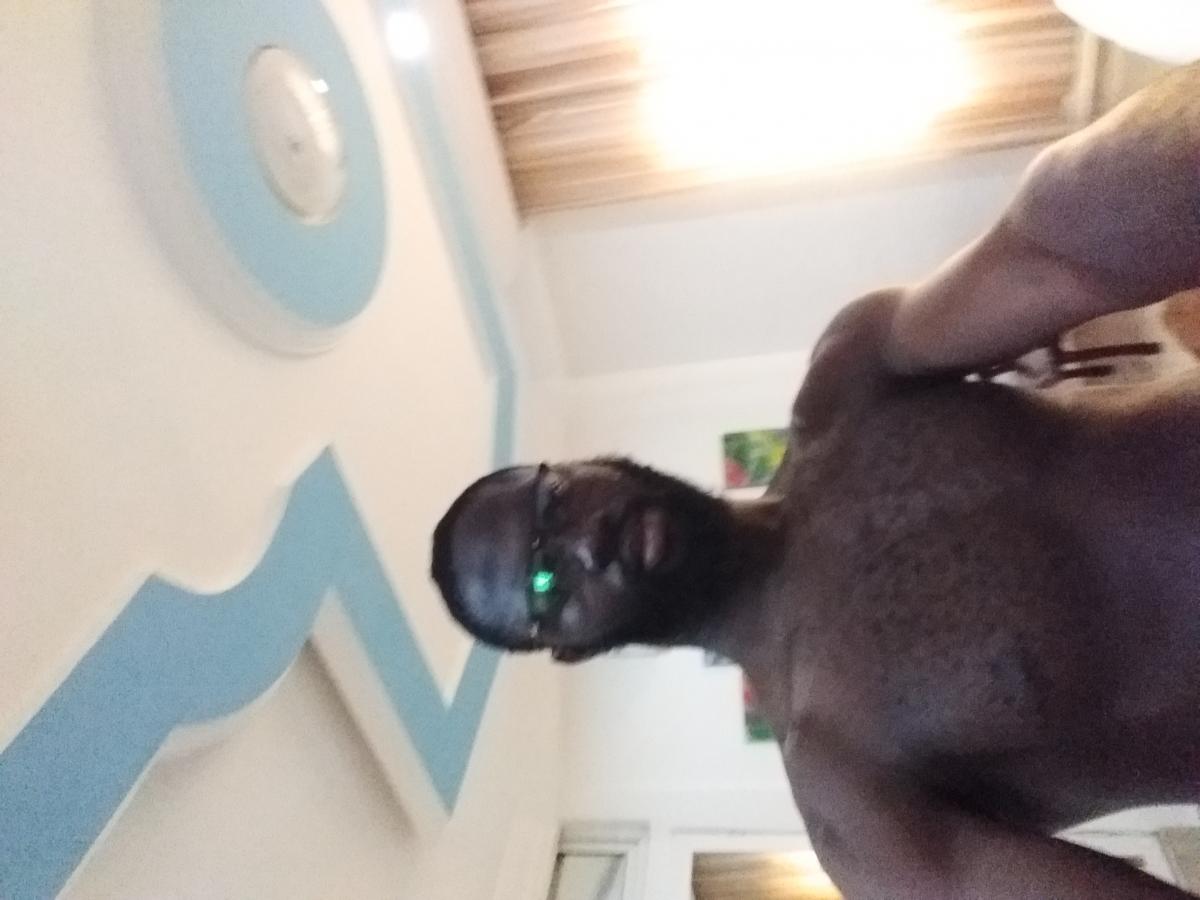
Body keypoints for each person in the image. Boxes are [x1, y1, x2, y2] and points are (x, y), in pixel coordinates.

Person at [431, 63, 1200, 899]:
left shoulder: (850, 382)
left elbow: (1051, 253)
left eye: (554, 501)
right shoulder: (849, 796)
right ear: (574, 647)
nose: (585, 540)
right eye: (548, 581)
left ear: (586, 464)